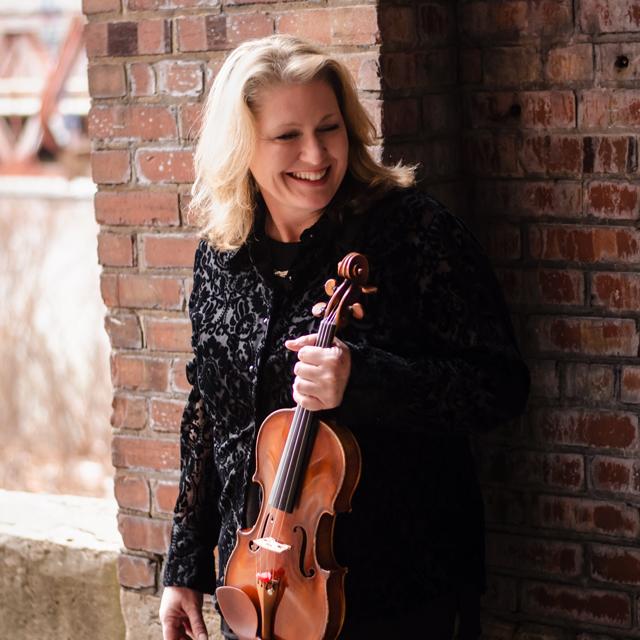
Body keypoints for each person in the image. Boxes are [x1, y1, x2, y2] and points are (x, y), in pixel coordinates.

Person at [159, 34, 529, 640]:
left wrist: (365, 377)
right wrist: (185, 567)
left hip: (395, 589)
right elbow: (208, 415)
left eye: (328, 128)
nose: (316, 153)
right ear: (241, 146)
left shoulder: (412, 231)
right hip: (255, 584)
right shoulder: (221, 255)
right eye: (287, 136)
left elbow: (499, 385)